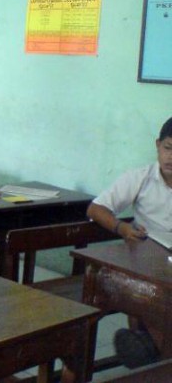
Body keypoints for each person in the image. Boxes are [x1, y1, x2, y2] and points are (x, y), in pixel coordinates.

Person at [86, 116, 172, 369]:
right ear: (158, 145)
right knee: (156, 299)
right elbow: (96, 208)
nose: (171, 157)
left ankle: (148, 347)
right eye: (168, 148)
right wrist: (122, 228)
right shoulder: (140, 178)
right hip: (146, 260)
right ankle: (153, 351)